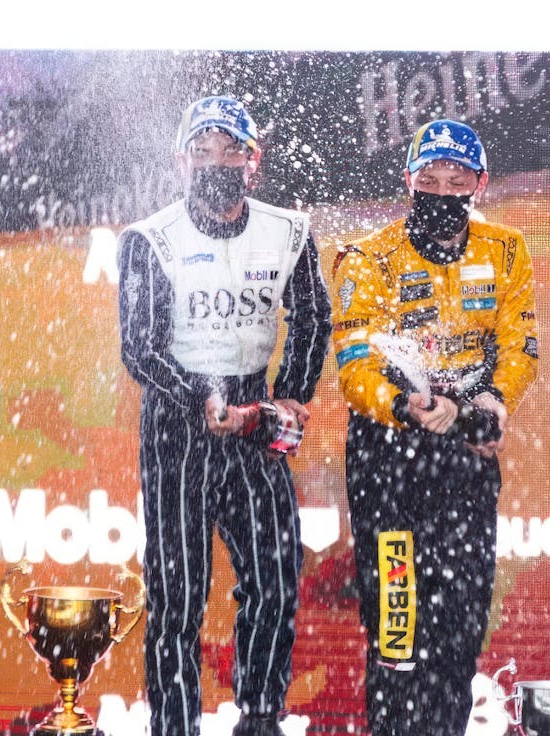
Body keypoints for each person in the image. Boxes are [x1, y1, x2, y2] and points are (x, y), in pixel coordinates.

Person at [117, 95, 331, 736]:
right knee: (177, 596)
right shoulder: (149, 239)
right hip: (177, 422)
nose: (218, 163)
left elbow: (314, 317)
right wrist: (199, 396)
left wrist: (291, 393)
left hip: (256, 413)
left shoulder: (289, 231)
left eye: (231, 150)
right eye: (204, 151)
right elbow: (139, 347)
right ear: (183, 161)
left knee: (275, 575)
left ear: (253, 161)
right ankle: (174, 725)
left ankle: (260, 716)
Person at [330, 119, 538, 734]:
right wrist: (404, 406)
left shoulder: (505, 249)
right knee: (398, 632)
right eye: (430, 179)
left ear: (480, 183)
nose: (443, 190)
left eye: (457, 180)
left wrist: (497, 402)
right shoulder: (366, 256)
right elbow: (354, 363)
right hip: (389, 456)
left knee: (460, 626)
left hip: (467, 454)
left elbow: (518, 344)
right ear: (408, 180)